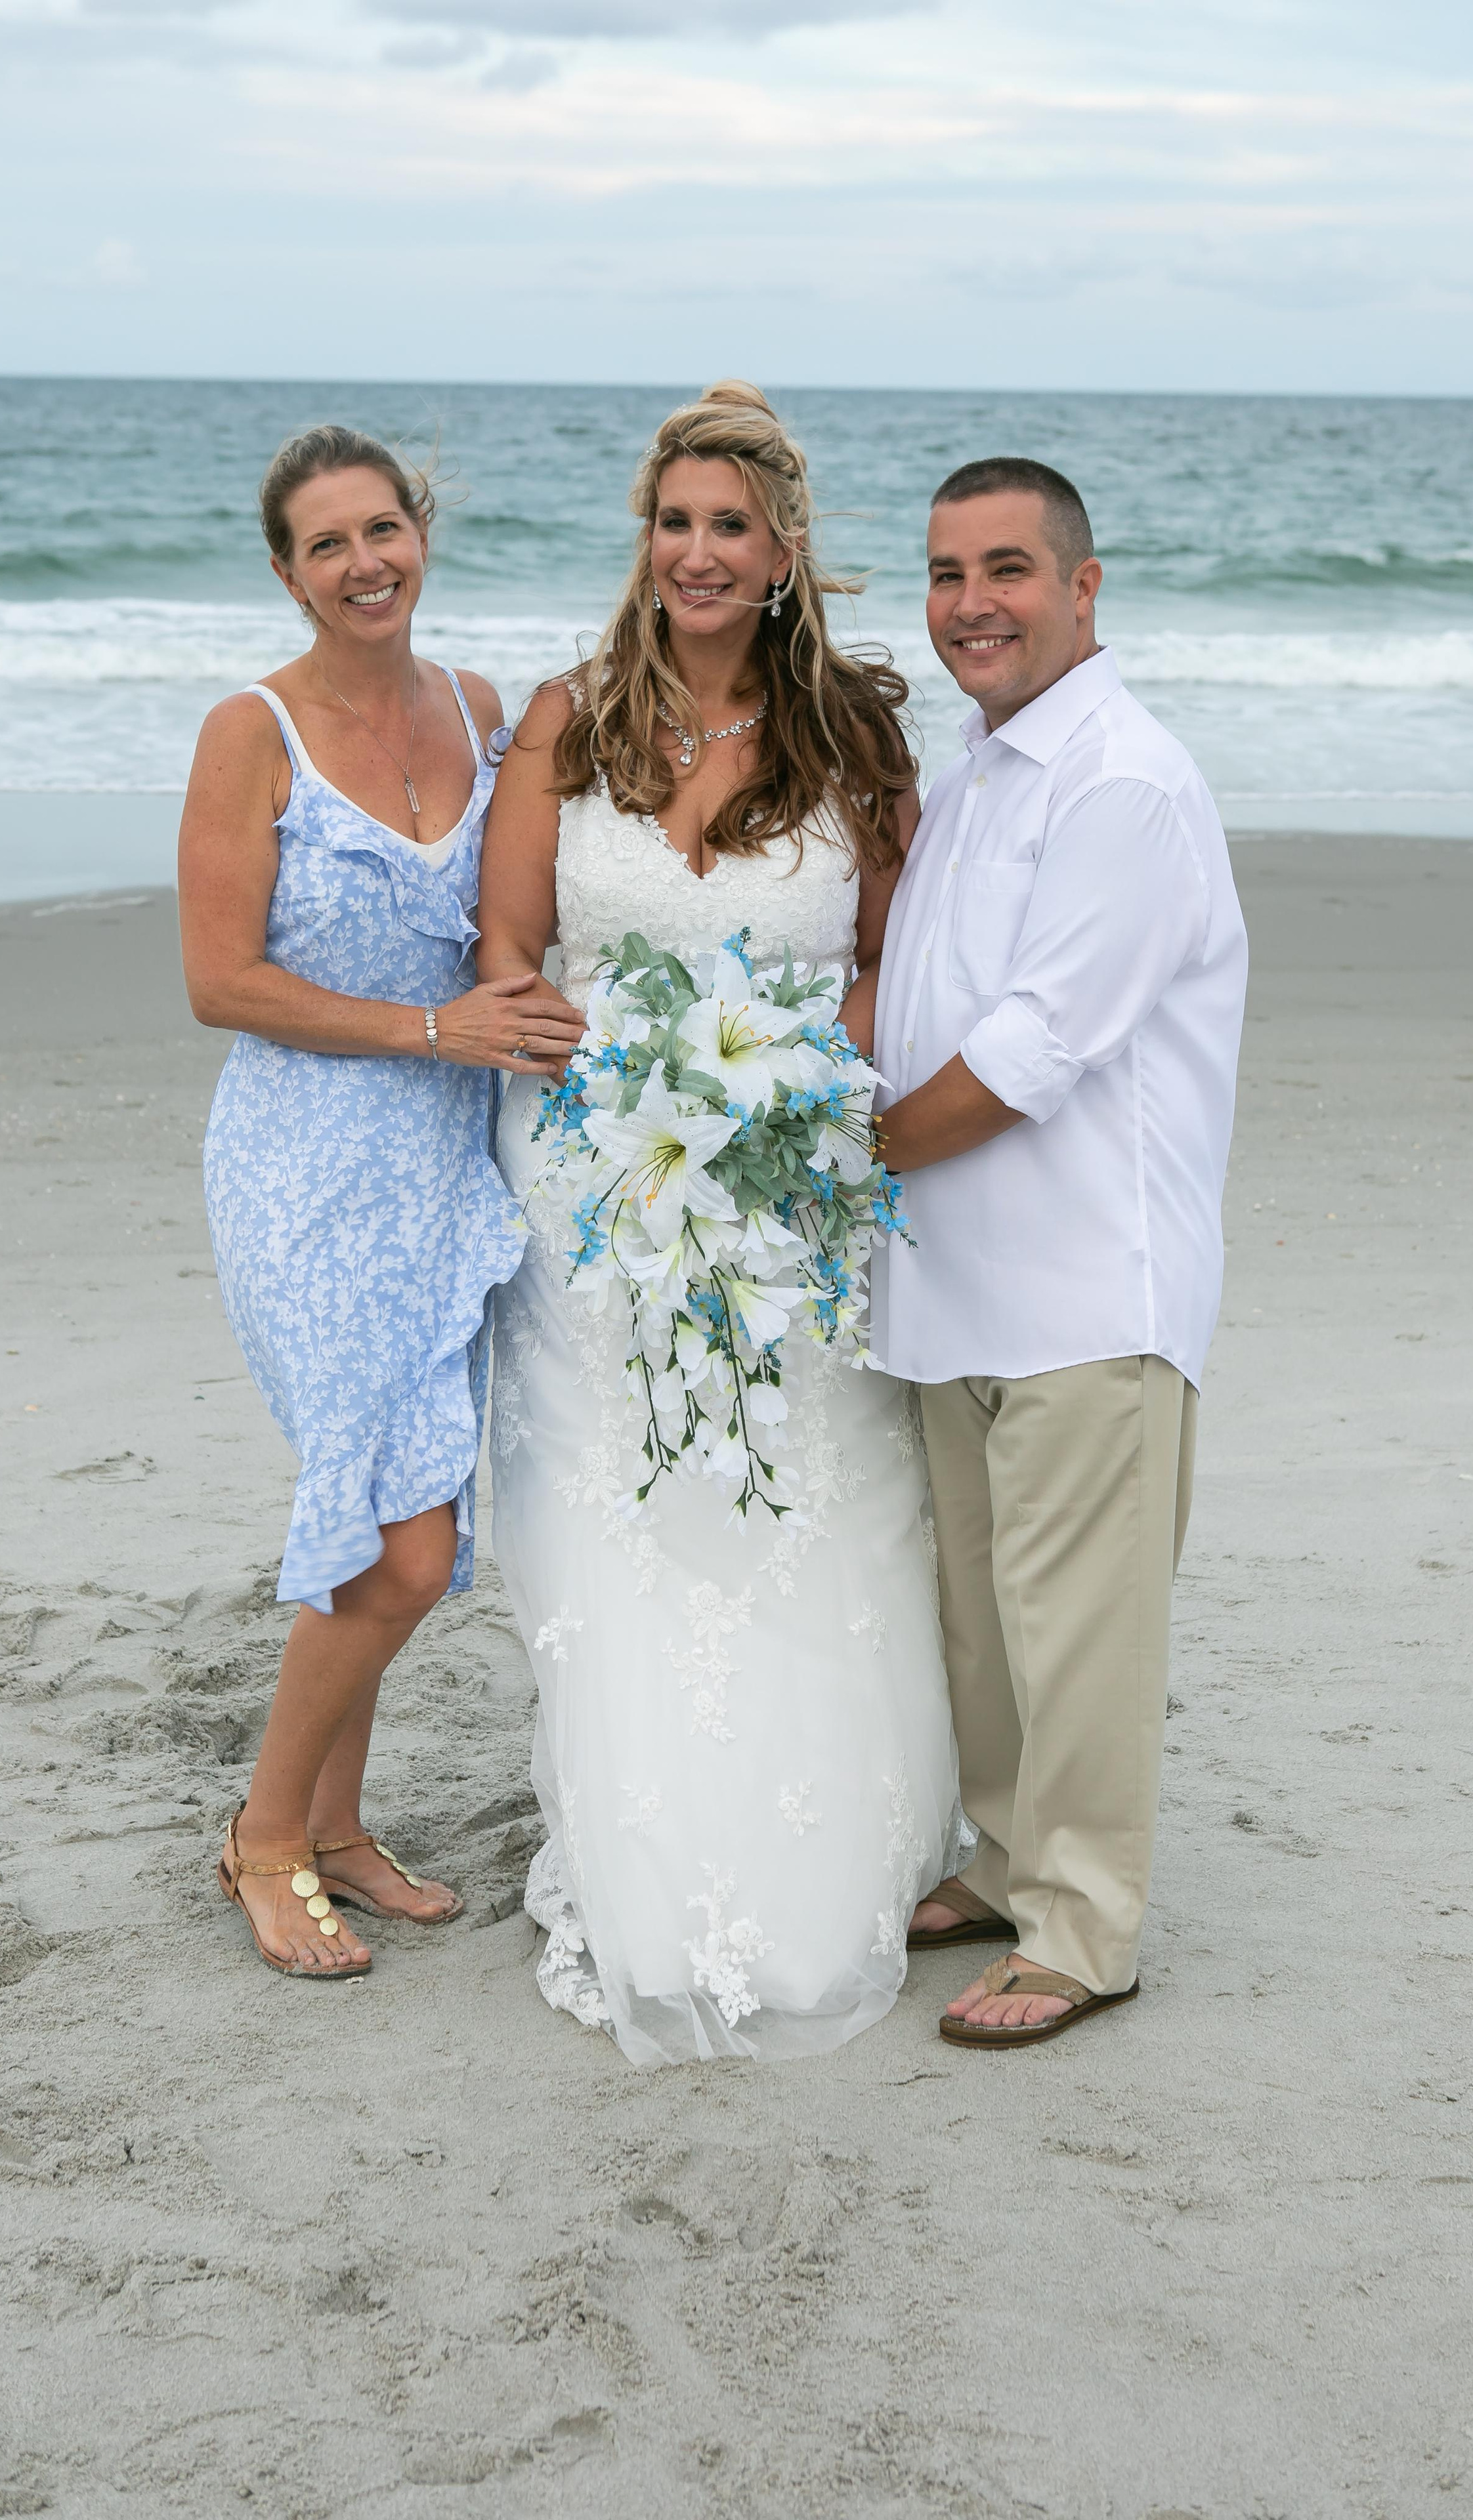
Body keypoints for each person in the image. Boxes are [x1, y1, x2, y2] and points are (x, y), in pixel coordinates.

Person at [477, 381, 961, 2063]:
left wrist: (816, 1103)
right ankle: (630, 1846)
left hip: (792, 1182)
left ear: (779, 552)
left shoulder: (855, 733)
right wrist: (599, 1081)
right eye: (672, 523)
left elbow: (890, 960)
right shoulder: (566, 719)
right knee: (622, 1499)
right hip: (595, 1179)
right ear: (647, 541)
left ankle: (837, 1844)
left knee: (804, 1489)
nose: (694, 552)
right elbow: (511, 957)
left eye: (727, 527)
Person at [180, 424, 582, 1979]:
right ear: (287, 574)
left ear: (422, 529)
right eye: (326, 546)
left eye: (381, 530)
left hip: (445, 1169)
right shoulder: (251, 732)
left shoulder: (480, 710)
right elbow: (221, 981)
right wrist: (432, 1029)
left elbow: (513, 922)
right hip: (301, 1169)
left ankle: (340, 1829)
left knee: (405, 1503)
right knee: (397, 1545)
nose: (364, 565)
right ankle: (266, 1837)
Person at [874, 455, 1248, 2048]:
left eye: (1008, 570)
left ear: (1083, 587)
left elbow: (1036, 1047)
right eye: (950, 573)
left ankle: (1083, 1929)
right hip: (956, 1277)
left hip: (1089, 1284)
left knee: (1078, 1621)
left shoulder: (1122, 779)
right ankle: (1007, 1853)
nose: (973, 605)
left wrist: (848, 1155)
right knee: (978, 1612)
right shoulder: (972, 770)